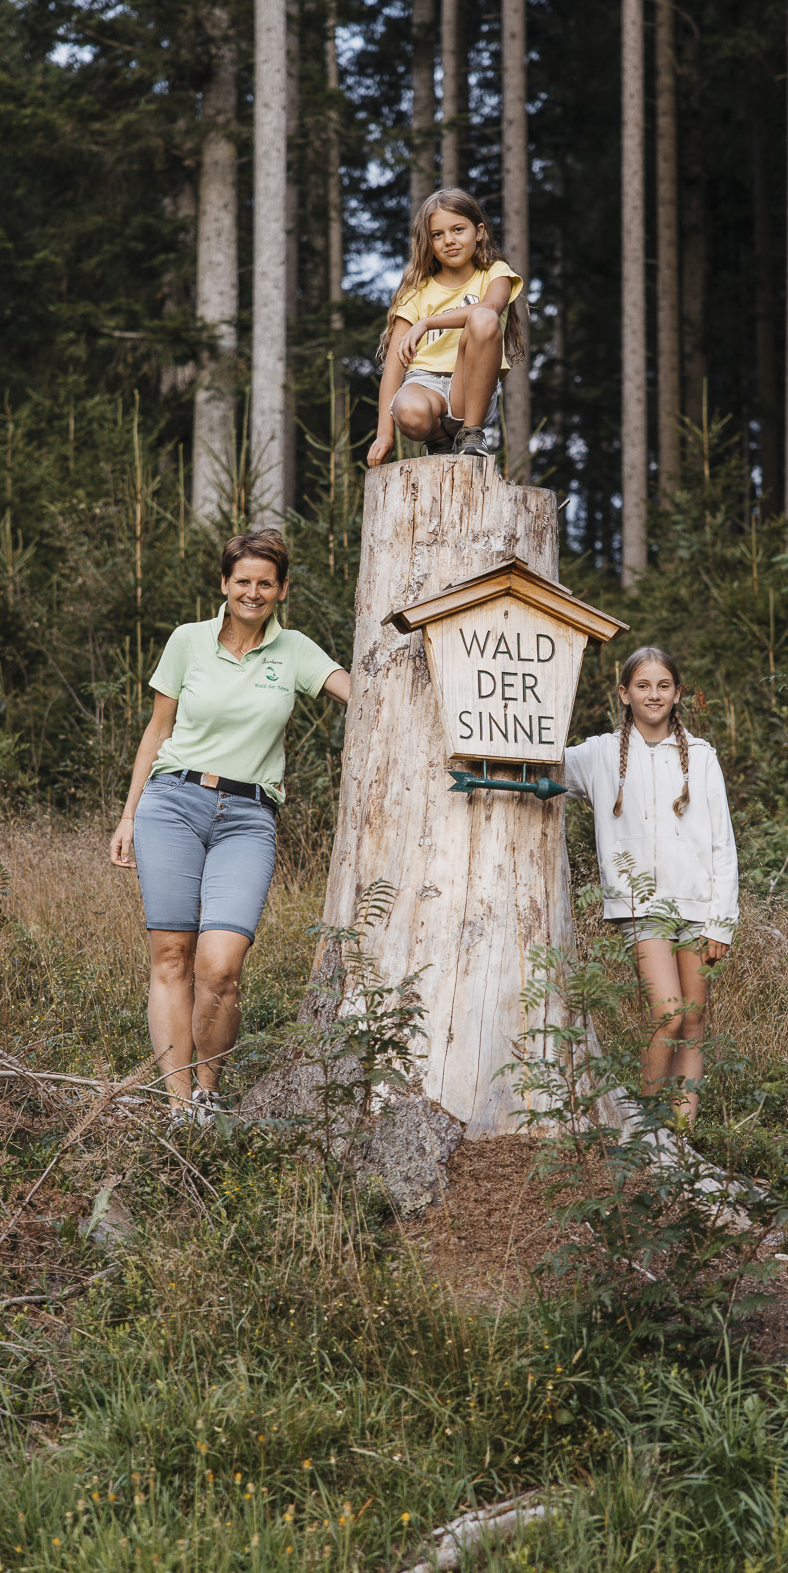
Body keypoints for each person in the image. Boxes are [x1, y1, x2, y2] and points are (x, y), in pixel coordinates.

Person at [109, 528, 351, 1120]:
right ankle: (179, 1103)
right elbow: (157, 731)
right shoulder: (188, 641)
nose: (253, 592)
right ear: (224, 584)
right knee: (171, 956)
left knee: (221, 965)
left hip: (248, 817)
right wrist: (128, 815)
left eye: (265, 583)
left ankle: (207, 1091)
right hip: (172, 803)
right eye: (242, 580)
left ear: (282, 590)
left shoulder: (294, 650)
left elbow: (361, 693)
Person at [563, 645, 738, 1124]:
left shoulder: (700, 757)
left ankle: (681, 1134)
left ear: (678, 693)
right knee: (668, 1016)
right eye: (642, 685)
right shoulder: (599, 754)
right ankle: (643, 1129)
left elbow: (722, 841)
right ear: (624, 694)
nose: (653, 694)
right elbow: (543, 761)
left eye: (663, 685)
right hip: (639, 904)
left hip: (700, 907)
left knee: (694, 1023)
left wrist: (722, 921)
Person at [367, 187, 525, 466]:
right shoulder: (416, 291)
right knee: (408, 409)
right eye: (437, 235)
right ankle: (440, 442)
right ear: (427, 241)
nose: (449, 240)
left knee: (483, 319)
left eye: (457, 230)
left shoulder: (495, 273)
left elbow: (490, 308)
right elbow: (394, 364)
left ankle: (471, 436)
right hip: (423, 382)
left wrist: (427, 323)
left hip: (468, 387)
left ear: (479, 232)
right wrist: (384, 434)